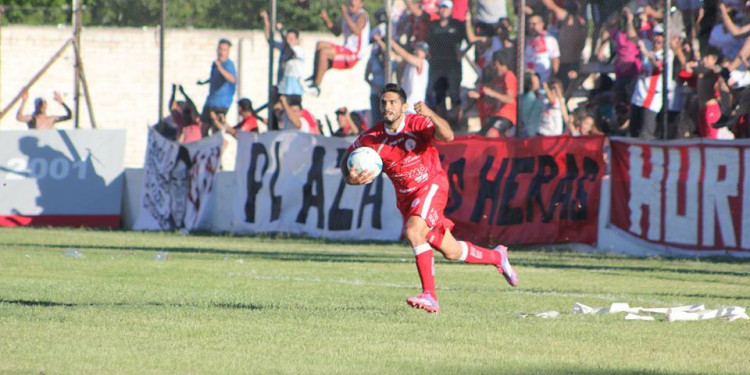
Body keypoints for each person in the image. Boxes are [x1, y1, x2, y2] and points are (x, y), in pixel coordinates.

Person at [340, 83, 518, 313]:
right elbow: (346, 162)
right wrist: (350, 179)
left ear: (403, 106)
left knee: (414, 232)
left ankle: (430, 296)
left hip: (431, 185)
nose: (387, 106)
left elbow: (449, 135)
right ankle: (497, 256)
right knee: (451, 251)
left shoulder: (417, 122)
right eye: (384, 102)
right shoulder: (372, 138)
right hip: (407, 199)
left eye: (393, 102)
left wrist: (431, 114)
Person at [308, 0, 370, 96]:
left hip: (354, 54)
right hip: (345, 48)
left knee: (324, 52)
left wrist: (345, 14)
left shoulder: (362, 15)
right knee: (320, 44)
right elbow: (337, 32)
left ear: (360, 4)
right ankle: (315, 75)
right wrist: (326, 19)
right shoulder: (348, 15)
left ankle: (316, 86)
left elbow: (357, 30)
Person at [425, 0, 466, 117]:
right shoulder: (433, 25)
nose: (444, 10)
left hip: (453, 65)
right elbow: (428, 43)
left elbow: (466, 40)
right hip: (437, 65)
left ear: (451, 10)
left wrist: (462, 53)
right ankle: (442, 120)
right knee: (439, 95)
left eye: (446, 8)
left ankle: (457, 121)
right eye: (442, 7)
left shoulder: (457, 25)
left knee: (454, 94)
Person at [372, 34, 430, 113]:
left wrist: (391, 42)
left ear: (425, 54)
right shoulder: (409, 63)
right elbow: (393, 55)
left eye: (422, 50)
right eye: (418, 48)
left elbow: (405, 55)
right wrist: (380, 42)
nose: (418, 50)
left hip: (414, 107)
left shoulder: (423, 62)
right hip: (405, 106)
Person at [468, 49, 518, 137]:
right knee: (480, 136)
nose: (494, 67)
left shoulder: (508, 76)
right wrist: (480, 97)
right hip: (497, 114)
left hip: (506, 116)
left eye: (494, 64)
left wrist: (492, 93)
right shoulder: (498, 79)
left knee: (491, 134)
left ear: (498, 63)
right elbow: (495, 100)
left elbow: (510, 100)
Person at [260, 11, 305, 101]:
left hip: (294, 90)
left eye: (291, 39)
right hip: (283, 87)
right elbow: (270, 40)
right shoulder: (284, 48)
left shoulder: (297, 50)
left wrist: (280, 31)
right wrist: (266, 21)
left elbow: (289, 49)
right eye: (288, 38)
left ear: (296, 40)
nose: (289, 40)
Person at [198, 39, 237, 136]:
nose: (221, 52)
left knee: (216, 128)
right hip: (211, 101)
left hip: (221, 103)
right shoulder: (215, 64)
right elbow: (215, 78)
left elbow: (232, 79)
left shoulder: (228, 64)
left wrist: (220, 68)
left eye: (224, 50)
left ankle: (220, 146)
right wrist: (204, 82)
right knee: (203, 127)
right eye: (220, 49)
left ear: (228, 52)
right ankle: (206, 148)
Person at [524, 13, 560, 84]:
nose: (531, 27)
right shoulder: (525, 41)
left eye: (534, 24)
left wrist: (550, 80)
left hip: (544, 80)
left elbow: (555, 61)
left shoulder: (550, 40)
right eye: (530, 24)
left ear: (541, 24)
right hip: (528, 81)